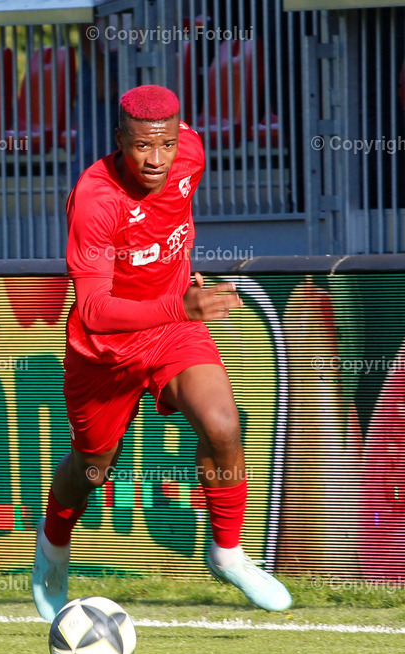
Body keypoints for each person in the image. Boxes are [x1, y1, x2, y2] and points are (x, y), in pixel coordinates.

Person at [31, 84, 291, 621]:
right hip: (106, 350)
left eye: (166, 145)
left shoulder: (190, 153)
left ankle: (227, 552)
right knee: (93, 469)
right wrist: (181, 306)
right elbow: (96, 310)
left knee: (222, 425)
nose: (156, 159)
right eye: (142, 146)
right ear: (119, 139)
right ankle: (53, 549)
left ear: (180, 139)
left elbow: (180, 173)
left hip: (174, 331)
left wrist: (179, 310)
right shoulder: (96, 199)